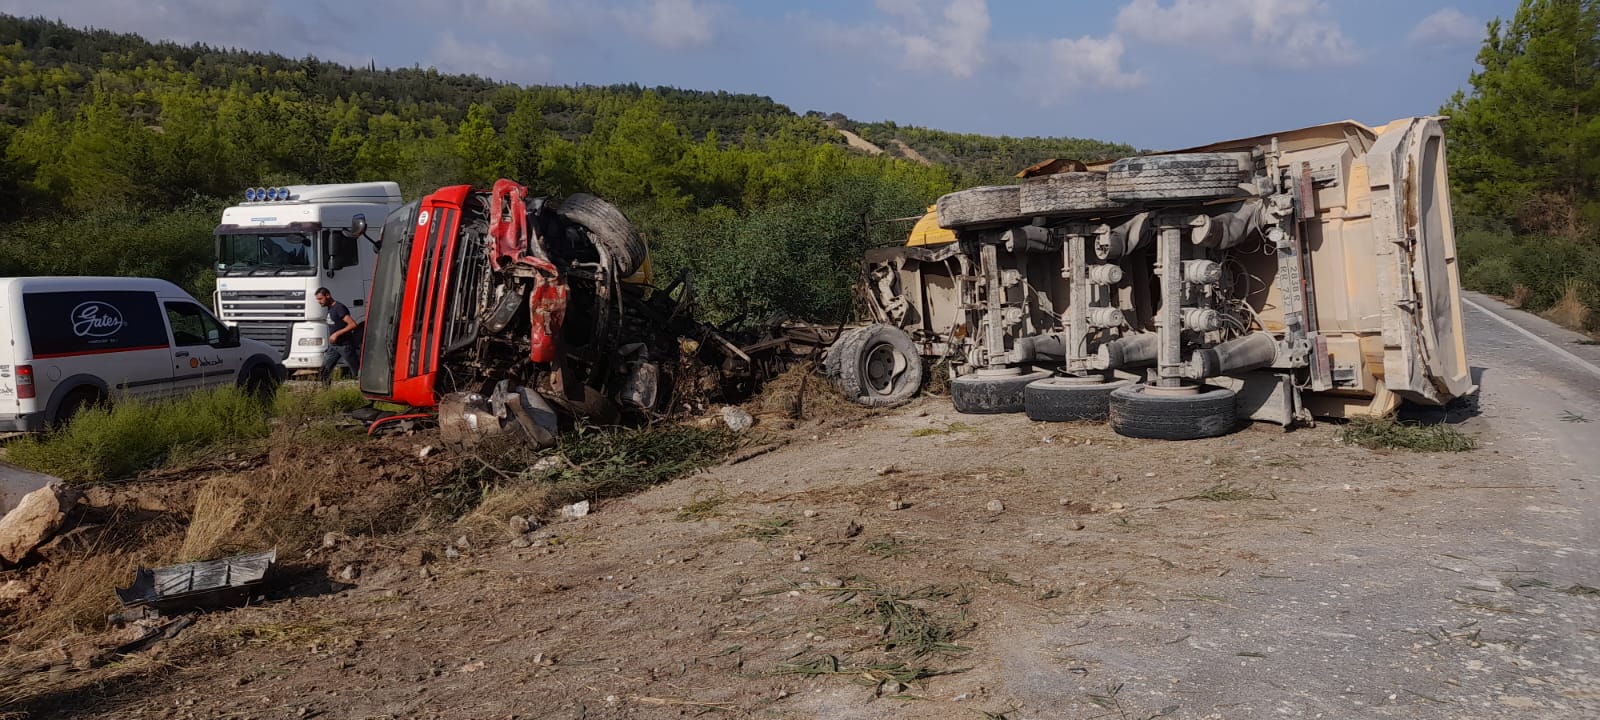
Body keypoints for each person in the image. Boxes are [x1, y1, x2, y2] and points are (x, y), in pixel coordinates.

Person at [316, 287, 360, 384]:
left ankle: (365, 389)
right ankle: (325, 391)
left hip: (344, 345)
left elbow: (352, 324)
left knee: (357, 371)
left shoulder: (339, 308)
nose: (319, 302)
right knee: (325, 371)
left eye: (320, 299)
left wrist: (336, 334)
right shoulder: (330, 308)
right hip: (334, 346)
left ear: (328, 295)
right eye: (317, 299)